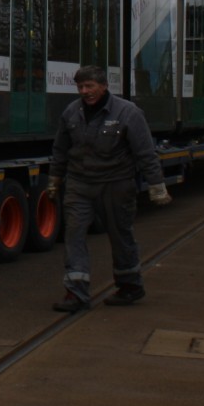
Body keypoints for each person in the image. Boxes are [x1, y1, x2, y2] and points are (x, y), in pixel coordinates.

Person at [47, 65, 171, 313]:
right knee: (74, 234)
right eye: (80, 87)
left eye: (90, 86)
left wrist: (156, 186)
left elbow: (145, 152)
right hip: (80, 184)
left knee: (120, 235)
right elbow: (60, 150)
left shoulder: (128, 113)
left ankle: (129, 286)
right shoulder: (71, 113)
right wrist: (55, 179)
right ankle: (76, 292)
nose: (85, 91)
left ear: (103, 86)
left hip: (115, 184)